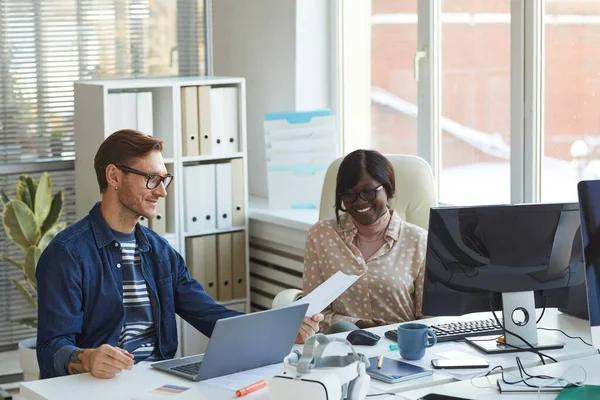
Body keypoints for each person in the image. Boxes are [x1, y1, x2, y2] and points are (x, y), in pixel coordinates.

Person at [36, 129, 323, 379]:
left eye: (164, 180)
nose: (161, 192)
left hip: (156, 381)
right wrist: (88, 359)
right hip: (100, 386)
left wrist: (282, 332)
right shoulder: (68, 254)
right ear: (114, 176)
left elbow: (212, 316)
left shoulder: (159, 252)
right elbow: (52, 348)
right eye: (151, 178)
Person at [302, 149, 427, 333]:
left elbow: (430, 319)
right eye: (349, 195)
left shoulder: (418, 240)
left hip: (398, 347)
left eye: (368, 192)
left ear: (388, 189)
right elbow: (313, 313)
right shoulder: (321, 235)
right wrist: (355, 324)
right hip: (341, 347)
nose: (359, 202)